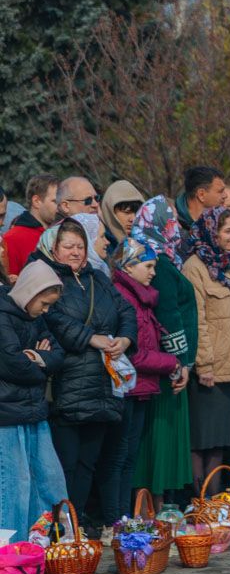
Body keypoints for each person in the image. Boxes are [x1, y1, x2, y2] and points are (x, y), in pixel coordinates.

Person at [33, 218, 136, 537]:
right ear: (55, 248)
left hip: (103, 386)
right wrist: (92, 338)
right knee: (65, 464)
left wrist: (125, 339)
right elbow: (54, 319)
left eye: (80, 246)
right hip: (68, 385)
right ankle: (59, 530)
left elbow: (126, 311)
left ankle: (75, 530)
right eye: (68, 246)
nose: (76, 252)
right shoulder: (47, 278)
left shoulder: (98, 278)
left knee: (88, 464)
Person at [128, 197, 197, 504]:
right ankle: (154, 509)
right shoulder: (161, 263)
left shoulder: (161, 258)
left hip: (163, 364)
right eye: (171, 221)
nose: (176, 227)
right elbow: (169, 315)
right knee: (160, 441)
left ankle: (156, 507)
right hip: (167, 369)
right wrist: (179, 363)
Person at [183, 207, 230, 493]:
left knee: (219, 442)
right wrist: (204, 364)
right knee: (201, 440)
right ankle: (201, 500)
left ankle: (214, 502)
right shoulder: (194, 267)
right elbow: (197, 320)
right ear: (211, 233)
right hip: (210, 370)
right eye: (227, 231)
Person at [111, 236, 184, 514]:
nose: (154, 272)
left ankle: (123, 515)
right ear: (129, 266)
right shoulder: (126, 298)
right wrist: (171, 362)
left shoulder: (141, 297)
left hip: (140, 387)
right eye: (148, 266)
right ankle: (116, 517)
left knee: (128, 456)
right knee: (119, 457)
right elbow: (134, 354)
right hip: (127, 387)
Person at [0, 261, 66, 536]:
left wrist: (36, 357)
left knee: (48, 479)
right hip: (7, 415)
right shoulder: (3, 316)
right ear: (30, 293)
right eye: (44, 303)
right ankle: (10, 546)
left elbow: (58, 355)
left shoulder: (36, 317)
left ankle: (44, 540)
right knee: (14, 484)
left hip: (34, 411)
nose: (46, 310)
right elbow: (11, 363)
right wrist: (42, 362)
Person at [4, 174, 58, 277]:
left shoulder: (61, 234)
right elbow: (9, 282)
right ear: (36, 201)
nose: (60, 206)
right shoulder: (12, 239)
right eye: (55, 201)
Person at [173, 166, 226, 234]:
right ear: (201, 195)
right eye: (220, 191)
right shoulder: (170, 224)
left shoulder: (224, 219)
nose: (225, 196)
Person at [99, 180, 145, 255]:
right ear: (110, 211)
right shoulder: (102, 244)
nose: (133, 219)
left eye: (137, 213)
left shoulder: (147, 243)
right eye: (127, 212)